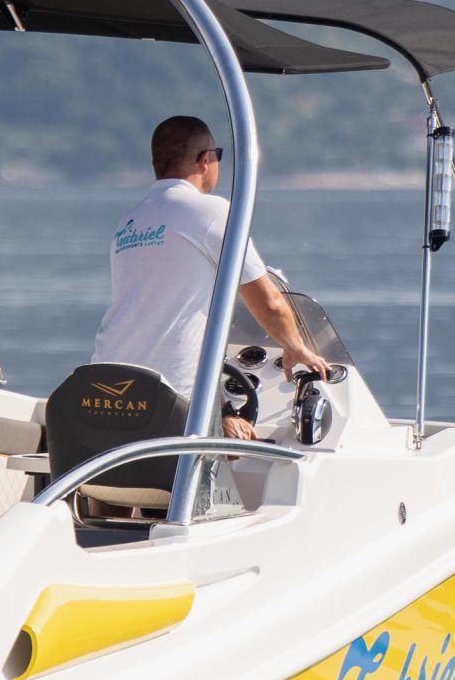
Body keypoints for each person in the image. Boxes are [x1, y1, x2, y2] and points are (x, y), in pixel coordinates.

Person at [91, 115, 329, 440]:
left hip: (107, 392)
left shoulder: (130, 221)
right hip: (173, 400)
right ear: (206, 160)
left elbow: (159, 318)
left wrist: (225, 410)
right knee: (252, 449)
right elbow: (268, 302)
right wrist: (295, 348)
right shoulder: (212, 212)